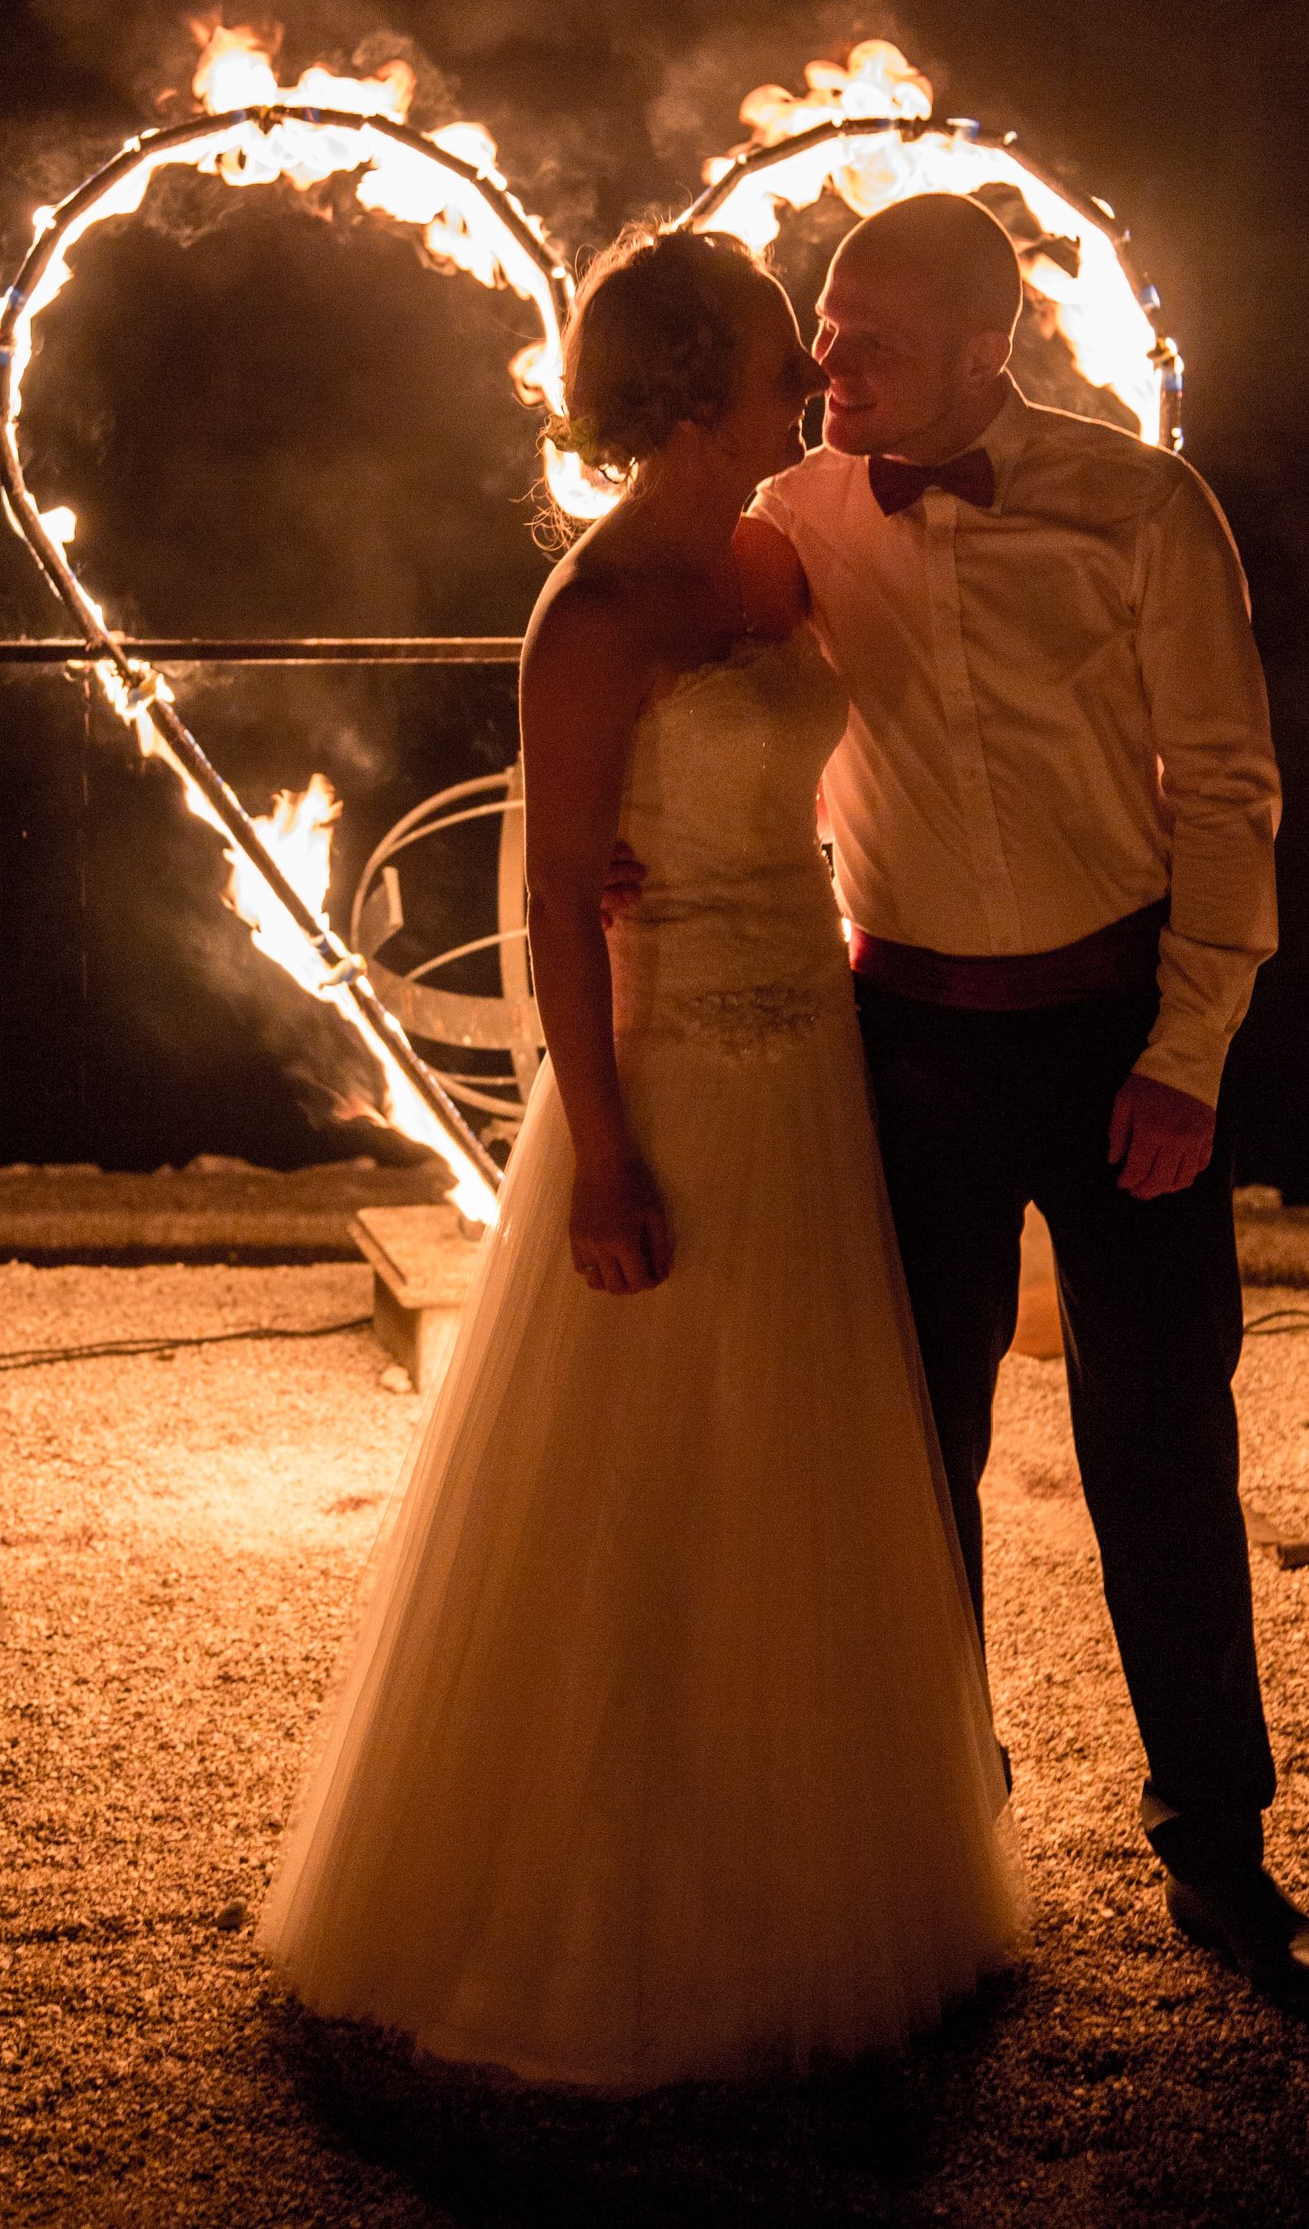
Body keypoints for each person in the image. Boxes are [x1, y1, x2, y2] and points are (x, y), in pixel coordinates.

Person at [258, 226, 1025, 2090]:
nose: (811, 383)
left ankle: (819, 1865)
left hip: (816, 1047)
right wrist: (597, 1154)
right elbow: (551, 903)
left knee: (806, 1461)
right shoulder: (592, 612)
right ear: (695, 387)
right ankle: (604, 1903)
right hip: (673, 1071)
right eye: (783, 356)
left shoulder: (776, 553)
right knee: (642, 1477)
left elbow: (832, 767)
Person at [739, 189, 1309, 2027]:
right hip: (897, 1049)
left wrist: (1189, 1052)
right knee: (905, 1468)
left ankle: (1223, 1860)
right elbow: (701, 698)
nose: (832, 363)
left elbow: (1231, 784)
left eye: (878, 340)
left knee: (1164, 1449)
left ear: (994, 348)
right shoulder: (790, 515)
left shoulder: (1144, 506)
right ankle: (938, 1855)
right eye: (828, 327)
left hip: (1118, 1036)